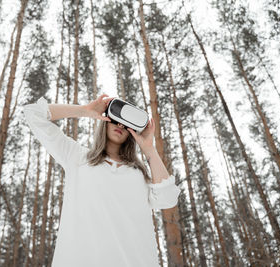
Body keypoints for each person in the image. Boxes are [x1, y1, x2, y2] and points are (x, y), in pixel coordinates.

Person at [22, 93, 179, 267]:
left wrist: (149, 149)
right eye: (115, 119)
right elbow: (33, 113)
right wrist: (84, 110)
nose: (120, 124)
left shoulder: (139, 173)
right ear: (104, 121)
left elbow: (168, 199)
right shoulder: (77, 157)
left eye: (126, 124)